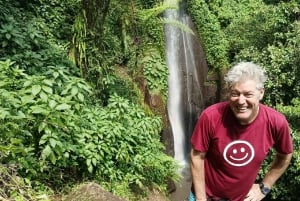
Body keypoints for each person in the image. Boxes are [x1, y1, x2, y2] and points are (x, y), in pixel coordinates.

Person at [189, 62, 293, 201]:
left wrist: (265, 186)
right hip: (204, 195)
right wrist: (200, 199)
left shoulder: (276, 122)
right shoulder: (211, 116)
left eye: (248, 94)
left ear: (261, 93)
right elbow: (197, 156)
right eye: (235, 94)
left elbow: (285, 155)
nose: (241, 101)